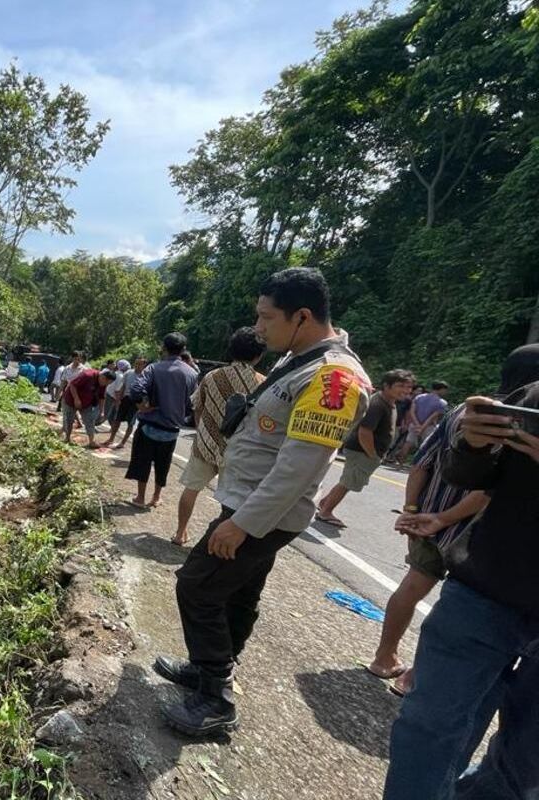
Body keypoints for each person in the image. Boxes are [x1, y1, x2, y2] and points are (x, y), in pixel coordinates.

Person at [154, 268, 371, 737]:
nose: (258, 328)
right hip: (250, 504)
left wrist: (244, 524)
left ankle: (215, 698)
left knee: (196, 585)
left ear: (303, 316)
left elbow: (300, 468)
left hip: (264, 514)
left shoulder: (333, 378)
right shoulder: (297, 359)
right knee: (238, 591)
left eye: (266, 317)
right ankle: (209, 669)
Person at [383, 344, 539, 800]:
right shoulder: (530, 394)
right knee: (428, 727)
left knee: (522, 763)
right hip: (484, 591)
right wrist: (471, 444)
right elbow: (469, 478)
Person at [366, 399, 489, 695]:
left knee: (411, 588)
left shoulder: (462, 411)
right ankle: (413, 677)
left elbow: (422, 462)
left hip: (427, 518)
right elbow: (487, 492)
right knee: (453, 605)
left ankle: (384, 658)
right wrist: (444, 519)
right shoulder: (518, 425)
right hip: (474, 534)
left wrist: (411, 509)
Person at [172, 327, 266, 546]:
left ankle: (180, 533)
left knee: (191, 489)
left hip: (206, 442)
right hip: (238, 449)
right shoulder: (262, 383)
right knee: (231, 500)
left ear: (231, 350)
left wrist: (201, 431)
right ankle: (220, 542)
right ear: (259, 355)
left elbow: (197, 406)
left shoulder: (212, 376)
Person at [314, 369, 416, 527]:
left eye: (409, 387)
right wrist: (372, 454)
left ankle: (325, 503)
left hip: (365, 451)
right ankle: (325, 512)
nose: (406, 390)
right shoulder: (378, 404)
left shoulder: (389, 402)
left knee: (349, 481)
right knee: (348, 482)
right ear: (386, 385)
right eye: (400, 385)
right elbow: (364, 431)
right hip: (361, 450)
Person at [125, 333, 199, 509]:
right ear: (183, 350)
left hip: (149, 425)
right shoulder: (191, 373)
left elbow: (136, 390)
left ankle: (140, 498)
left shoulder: (153, 368)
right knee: (162, 465)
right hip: (172, 429)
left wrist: (142, 406)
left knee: (142, 463)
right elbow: (193, 402)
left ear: (163, 348)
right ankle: (156, 497)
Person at [394, 380, 449, 465]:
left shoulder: (419, 397)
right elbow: (432, 417)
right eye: (445, 390)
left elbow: (412, 411)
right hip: (429, 427)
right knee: (426, 445)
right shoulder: (442, 402)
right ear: (441, 389)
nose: (445, 392)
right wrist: (422, 427)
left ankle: (400, 462)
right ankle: (419, 464)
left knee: (408, 442)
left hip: (414, 424)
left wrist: (417, 424)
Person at [63, 367, 114, 447]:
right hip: (71, 399)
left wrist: (102, 411)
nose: (106, 385)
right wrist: (76, 399)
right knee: (69, 419)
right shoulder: (87, 375)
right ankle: (67, 438)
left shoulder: (103, 384)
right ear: (103, 377)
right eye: (106, 383)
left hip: (86, 403)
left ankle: (91, 441)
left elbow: (101, 397)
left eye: (109, 384)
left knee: (89, 420)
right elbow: (72, 385)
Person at [110, 357, 150, 449]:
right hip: (125, 399)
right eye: (136, 363)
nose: (137, 366)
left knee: (131, 422)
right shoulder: (128, 373)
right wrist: (118, 400)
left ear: (144, 365)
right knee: (117, 420)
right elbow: (123, 386)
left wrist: (143, 405)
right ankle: (111, 438)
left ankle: (123, 442)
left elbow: (147, 392)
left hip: (136, 401)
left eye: (140, 364)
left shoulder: (146, 376)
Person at [101, 359, 130, 435]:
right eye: (127, 367)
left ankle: (112, 428)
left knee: (112, 414)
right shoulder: (120, 376)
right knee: (106, 415)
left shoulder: (117, 373)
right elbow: (117, 391)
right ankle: (92, 424)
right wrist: (118, 402)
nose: (128, 369)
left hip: (111, 395)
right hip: (111, 396)